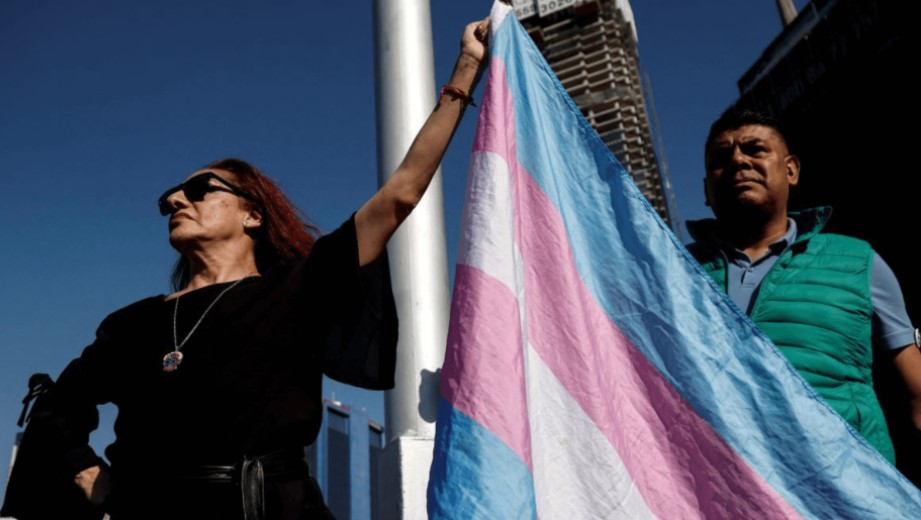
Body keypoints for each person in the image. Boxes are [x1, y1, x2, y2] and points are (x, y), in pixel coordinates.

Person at [1, 18, 489, 520]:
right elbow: (57, 408)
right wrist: (87, 473)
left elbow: (400, 195)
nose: (174, 200)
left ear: (252, 214)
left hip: (264, 508)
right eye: (169, 197)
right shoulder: (131, 324)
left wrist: (466, 68)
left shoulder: (297, 287)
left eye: (198, 191)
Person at [685, 109, 921, 465]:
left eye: (755, 149)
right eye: (721, 158)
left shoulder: (859, 261)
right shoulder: (671, 268)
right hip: (720, 493)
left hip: (848, 494)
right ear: (706, 189)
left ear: (791, 170)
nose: (737, 160)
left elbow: (917, 392)